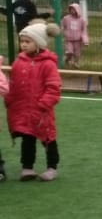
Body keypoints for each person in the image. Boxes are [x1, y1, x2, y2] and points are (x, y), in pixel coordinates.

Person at [6, 22, 62, 181]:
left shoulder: (48, 64)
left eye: (27, 41)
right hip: (23, 110)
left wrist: (44, 104)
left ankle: (52, 167)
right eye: (22, 41)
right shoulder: (18, 62)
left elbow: (53, 87)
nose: (23, 44)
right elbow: (13, 84)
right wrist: (10, 100)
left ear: (38, 43)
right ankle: (27, 167)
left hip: (42, 110)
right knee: (27, 137)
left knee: (48, 138)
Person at [60, 3, 88, 69]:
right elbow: (62, 26)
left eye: (74, 9)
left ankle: (76, 63)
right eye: (71, 9)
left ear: (77, 10)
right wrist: (62, 32)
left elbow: (84, 31)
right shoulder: (66, 18)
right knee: (69, 52)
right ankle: (67, 60)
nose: (72, 10)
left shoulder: (82, 20)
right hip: (68, 39)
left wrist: (85, 40)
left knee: (77, 53)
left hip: (78, 40)